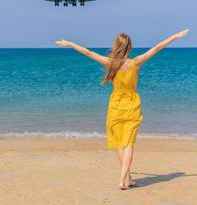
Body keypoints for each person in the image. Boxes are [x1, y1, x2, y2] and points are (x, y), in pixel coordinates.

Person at [55, 29, 189, 190]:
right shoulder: (136, 63)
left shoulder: (111, 63)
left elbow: (89, 53)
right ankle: (124, 179)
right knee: (129, 144)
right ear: (129, 47)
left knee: (121, 144)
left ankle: (127, 179)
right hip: (132, 105)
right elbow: (157, 48)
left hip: (116, 106)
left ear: (116, 46)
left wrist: (70, 43)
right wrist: (175, 36)